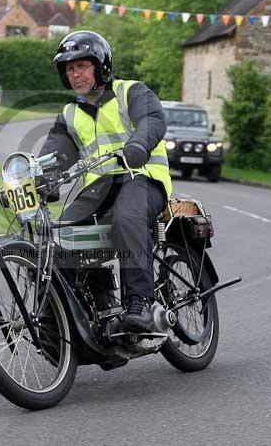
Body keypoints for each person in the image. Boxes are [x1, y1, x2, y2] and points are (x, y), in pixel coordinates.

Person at [39, 30, 173, 333]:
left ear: (100, 66)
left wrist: (139, 145)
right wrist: (37, 180)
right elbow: (53, 155)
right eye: (70, 69)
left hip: (143, 177)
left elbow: (153, 120)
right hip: (99, 189)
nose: (76, 74)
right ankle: (69, 318)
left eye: (83, 66)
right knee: (59, 236)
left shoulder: (131, 92)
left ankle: (140, 302)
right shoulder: (70, 115)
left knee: (127, 218)